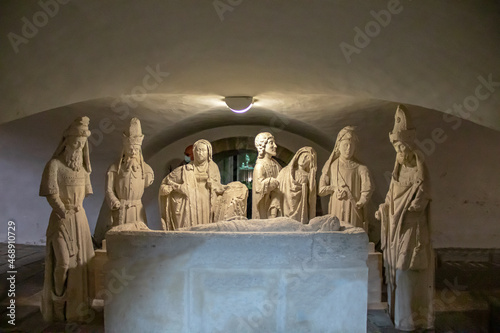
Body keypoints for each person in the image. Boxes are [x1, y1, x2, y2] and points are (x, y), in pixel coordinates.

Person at [375, 105, 434, 331]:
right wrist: (383, 209)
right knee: (398, 271)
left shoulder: (419, 170)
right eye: (397, 147)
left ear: (409, 147)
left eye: (401, 146)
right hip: (396, 229)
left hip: (411, 230)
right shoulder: (398, 173)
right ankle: (400, 314)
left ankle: (413, 317)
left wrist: (414, 207)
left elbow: (424, 196)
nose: (399, 151)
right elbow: (390, 198)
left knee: (406, 270)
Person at [39, 116, 94, 322]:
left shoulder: (83, 169)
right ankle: (58, 300)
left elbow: (86, 192)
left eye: (82, 143)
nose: (79, 145)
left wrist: (75, 210)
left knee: (81, 263)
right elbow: (51, 193)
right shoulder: (54, 165)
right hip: (61, 220)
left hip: (80, 220)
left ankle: (76, 306)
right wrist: (63, 210)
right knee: (62, 263)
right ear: (67, 141)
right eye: (76, 141)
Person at [159, 139, 226, 230]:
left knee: (206, 225)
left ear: (208, 152)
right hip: (191, 201)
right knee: (191, 225)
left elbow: (218, 186)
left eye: (203, 150)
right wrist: (170, 188)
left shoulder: (213, 167)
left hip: (207, 200)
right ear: (194, 152)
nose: (200, 153)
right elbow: (166, 182)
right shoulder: (185, 169)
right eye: (198, 150)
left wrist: (213, 184)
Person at [318, 126, 373, 231]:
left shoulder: (361, 168)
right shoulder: (331, 166)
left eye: (351, 146)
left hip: (353, 207)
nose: (348, 149)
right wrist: (334, 188)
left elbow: (367, 188)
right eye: (345, 145)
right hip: (336, 206)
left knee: (352, 232)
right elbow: (321, 190)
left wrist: (361, 201)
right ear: (338, 146)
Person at [105, 118, 154, 228]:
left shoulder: (146, 169)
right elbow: (109, 189)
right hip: (122, 209)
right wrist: (114, 201)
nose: (133, 152)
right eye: (130, 149)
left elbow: (147, 181)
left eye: (136, 149)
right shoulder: (115, 168)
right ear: (125, 148)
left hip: (137, 210)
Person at [277, 146, 317, 224]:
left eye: (308, 157)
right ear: (297, 156)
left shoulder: (308, 176)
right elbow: (277, 189)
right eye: (302, 155)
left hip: (300, 210)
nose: (304, 159)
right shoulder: (285, 172)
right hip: (286, 205)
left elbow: (311, 195)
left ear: (310, 162)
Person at [252, 132, 282, 219]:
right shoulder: (260, 166)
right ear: (262, 145)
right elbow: (258, 188)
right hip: (264, 209)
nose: (275, 146)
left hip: (276, 202)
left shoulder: (276, 165)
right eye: (271, 143)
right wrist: (270, 182)